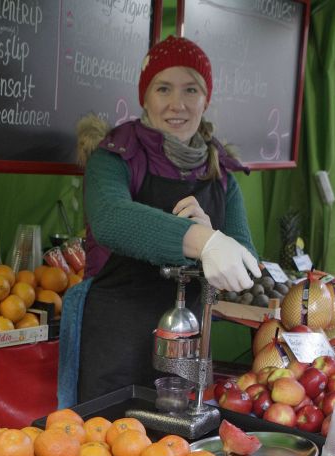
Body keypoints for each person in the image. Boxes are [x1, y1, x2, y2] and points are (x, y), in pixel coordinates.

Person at [58, 34, 260, 407]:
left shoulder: (222, 175)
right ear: (145, 97)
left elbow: (246, 263)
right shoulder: (113, 157)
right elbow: (111, 219)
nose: (176, 104)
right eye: (163, 88)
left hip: (187, 354)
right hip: (114, 346)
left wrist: (214, 235)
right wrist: (201, 240)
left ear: (206, 99)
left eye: (190, 90)